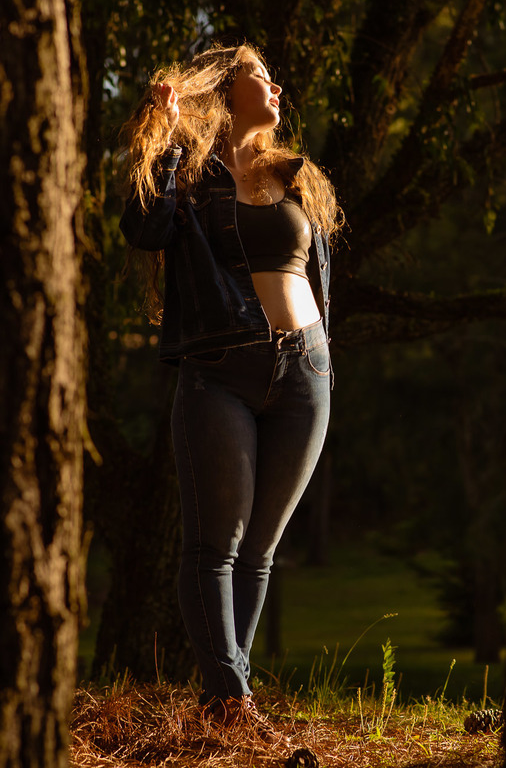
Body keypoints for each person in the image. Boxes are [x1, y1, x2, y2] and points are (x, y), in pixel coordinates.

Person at [117, 43, 342, 742]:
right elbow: (145, 226)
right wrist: (162, 134)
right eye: (256, 75)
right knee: (215, 545)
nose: (273, 84)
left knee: (260, 552)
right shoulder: (193, 171)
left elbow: (323, 281)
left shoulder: (298, 175)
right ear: (226, 91)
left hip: (306, 375)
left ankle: (226, 702)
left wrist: (324, 355)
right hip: (220, 368)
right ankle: (235, 700)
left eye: (273, 76)